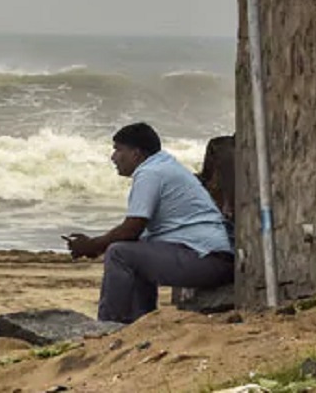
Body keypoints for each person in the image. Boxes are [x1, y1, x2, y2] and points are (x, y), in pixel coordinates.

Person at [65, 122, 234, 324]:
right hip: (210, 258)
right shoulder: (164, 166)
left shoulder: (150, 173)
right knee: (134, 252)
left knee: (119, 254)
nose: (113, 157)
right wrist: (95, 246)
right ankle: (141, 323)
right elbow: (136, 235)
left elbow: (132, 228)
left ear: (136, 153)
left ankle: (108, 325)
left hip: (206, 260)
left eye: (118, 150)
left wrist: (92, 245)